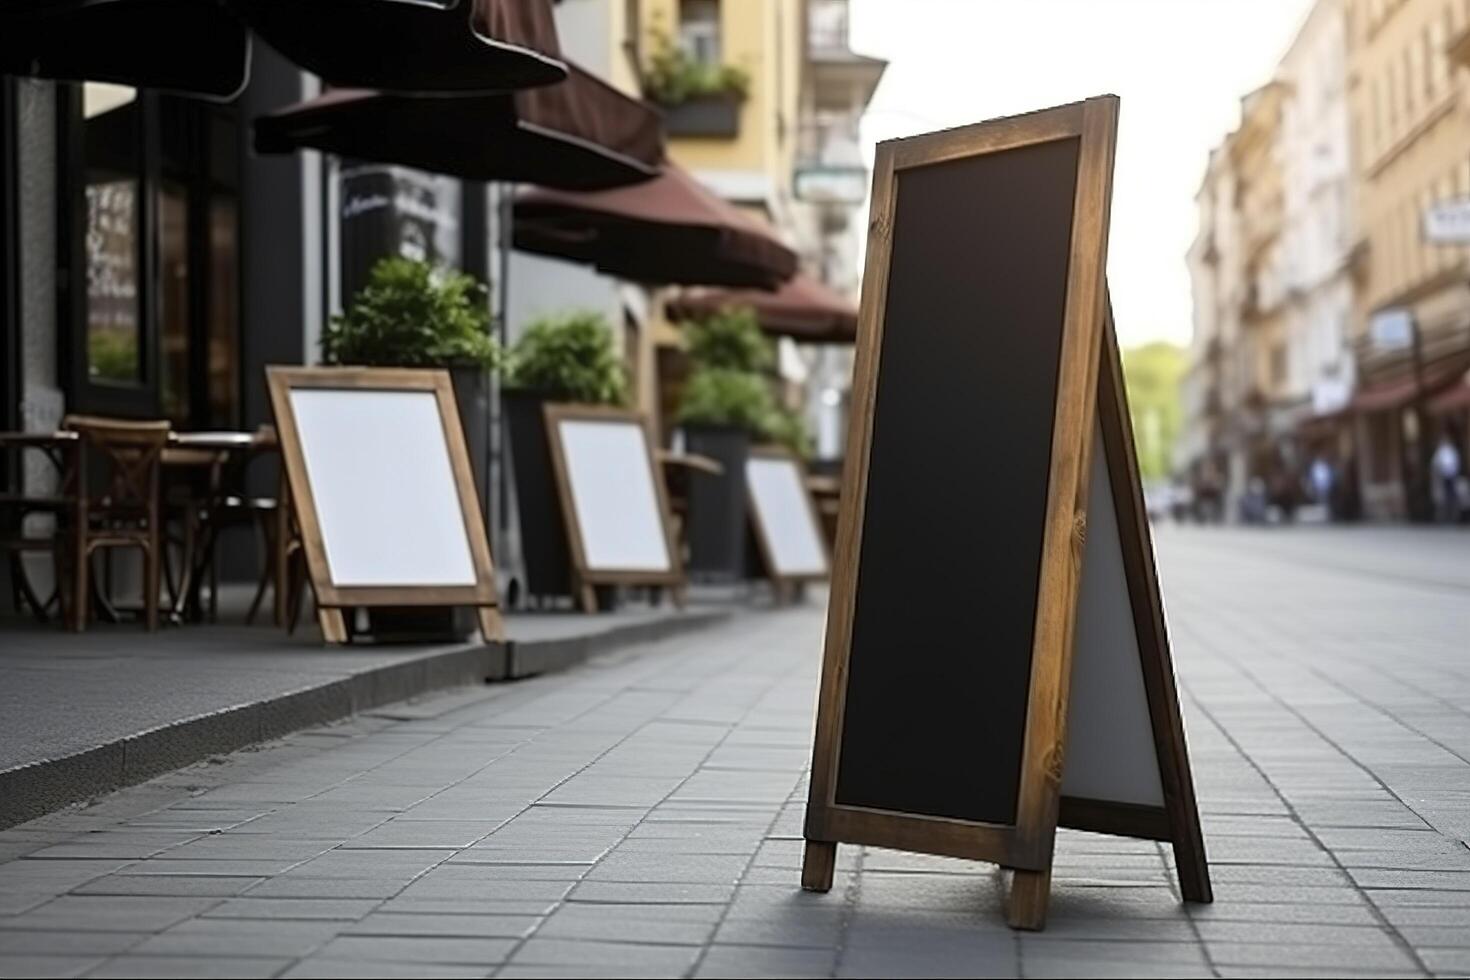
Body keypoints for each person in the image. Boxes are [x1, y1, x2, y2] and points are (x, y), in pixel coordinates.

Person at [1433, 433, 1463, 523]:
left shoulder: (1452, 451)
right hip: (1443, 477)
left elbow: (1457, 463)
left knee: (1452, 497)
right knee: (1443, 497)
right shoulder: (1440, 451)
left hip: (1452, 476)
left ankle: (1453, 517)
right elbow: (1435, 464)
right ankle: (1444, 517)